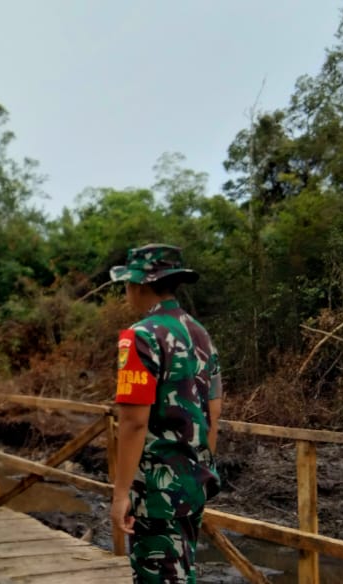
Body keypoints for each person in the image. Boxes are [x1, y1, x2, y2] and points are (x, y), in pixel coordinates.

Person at [108, 243, 222, 583]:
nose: (127, 291)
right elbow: (214, 412)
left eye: (127, 283)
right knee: (182, 574)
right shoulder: (201, 335)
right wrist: (199, 470)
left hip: (156, 490)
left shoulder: (140, 336)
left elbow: (133, 421)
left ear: (140, 285)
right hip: (193, 482)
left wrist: (120, 493)